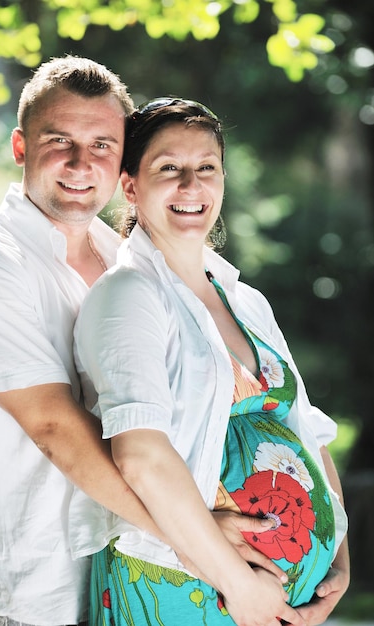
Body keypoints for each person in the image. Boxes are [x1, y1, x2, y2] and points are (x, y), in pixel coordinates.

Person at [0, 57, 286, 626]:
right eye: (58, 140)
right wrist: (204, 546)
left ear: (122, 165)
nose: (82, 163)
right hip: (21, 591)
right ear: (19, 147)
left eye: (103, 144)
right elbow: (53, 427)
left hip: (116, 584)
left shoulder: (126, 262)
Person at [73, 98, 350, 626]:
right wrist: (238, 585)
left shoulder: (244, 299)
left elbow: (307, 429)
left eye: (206, 169)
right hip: (184, 584)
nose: (191, 186)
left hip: (275, 599)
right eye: (168, 169)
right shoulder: (130, 295)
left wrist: (339, 559)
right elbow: (142, 457)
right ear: (130, 186)